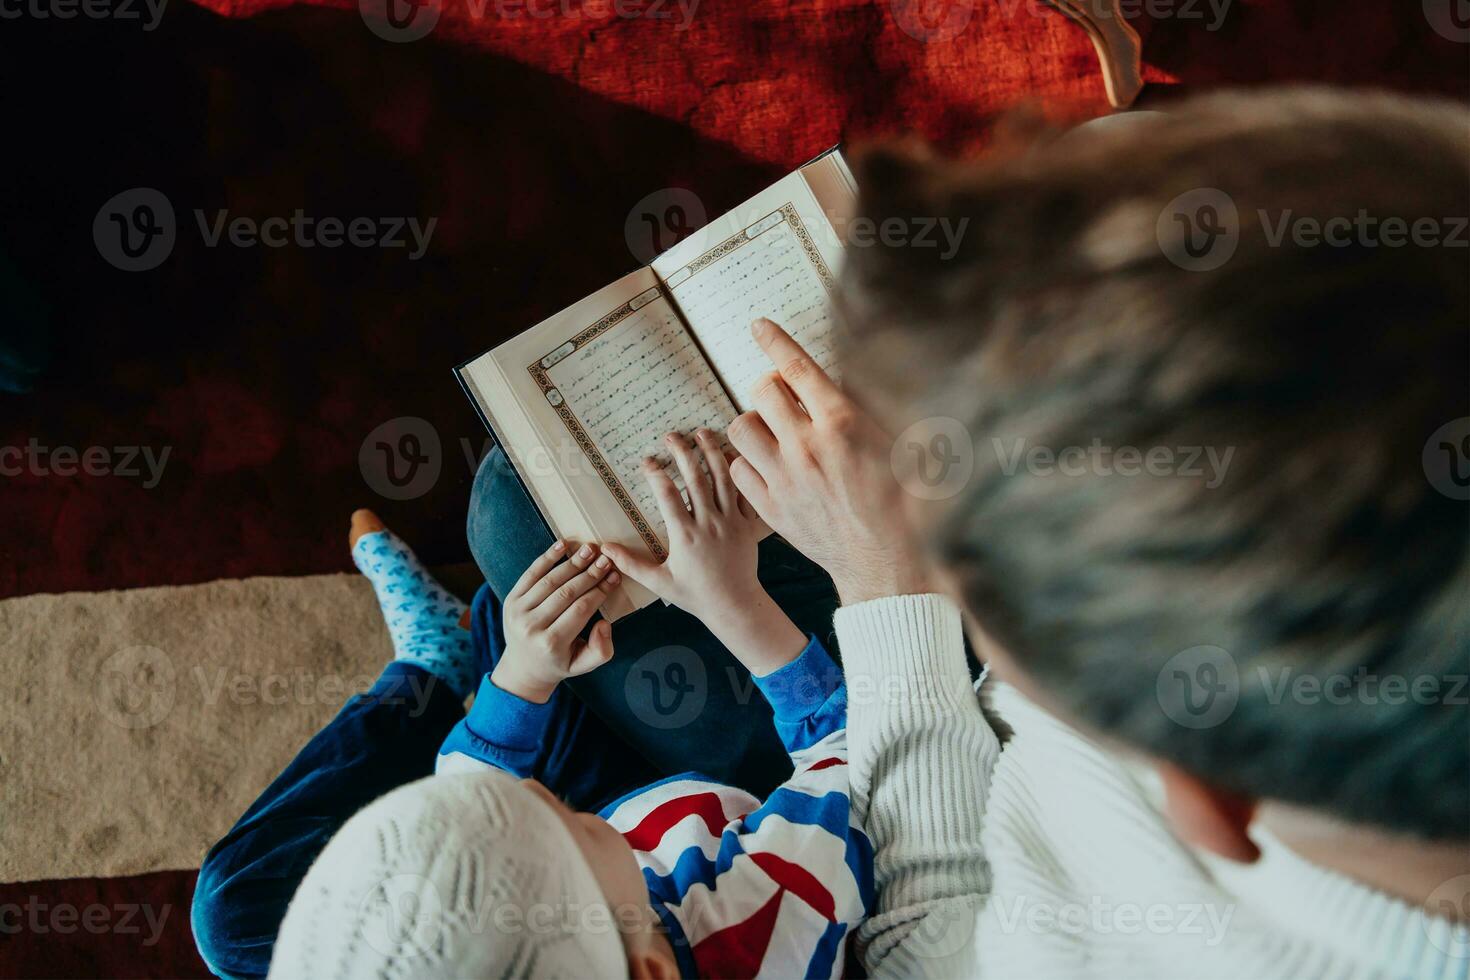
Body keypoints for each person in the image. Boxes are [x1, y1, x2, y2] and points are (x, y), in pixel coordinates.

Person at [714, 87, 1469, 977]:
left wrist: (884, 584)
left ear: (1200, 805)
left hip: (914, 710)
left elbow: (926, 946)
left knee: (509, 515)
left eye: (976, 584)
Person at [266, 435, 875, 977]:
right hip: (786, 789)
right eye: (563, 823)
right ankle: (460, 643)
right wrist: (734, 603)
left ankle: (454, 650)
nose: (528, 790)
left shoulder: (581, 928)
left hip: (656, 819)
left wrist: (521, 674)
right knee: (514, 492)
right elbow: (854, 751)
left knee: (520, 561)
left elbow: (472, 787)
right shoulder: (763, 926)